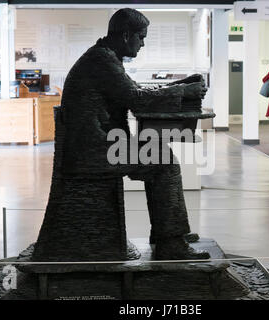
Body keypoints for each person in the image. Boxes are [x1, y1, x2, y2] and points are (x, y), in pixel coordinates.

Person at [32, 8, 210, 261]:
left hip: (99, 145)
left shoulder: (105, 57)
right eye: (141, 37)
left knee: (161, 157)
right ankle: (169, 241)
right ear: (126, 35)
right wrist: (184, 92)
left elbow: (133, 90)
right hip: (94, 151)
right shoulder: (101, 60)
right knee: (164, 162)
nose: (143, 43)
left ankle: (166, 235)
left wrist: (179, 86)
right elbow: (137, 99)